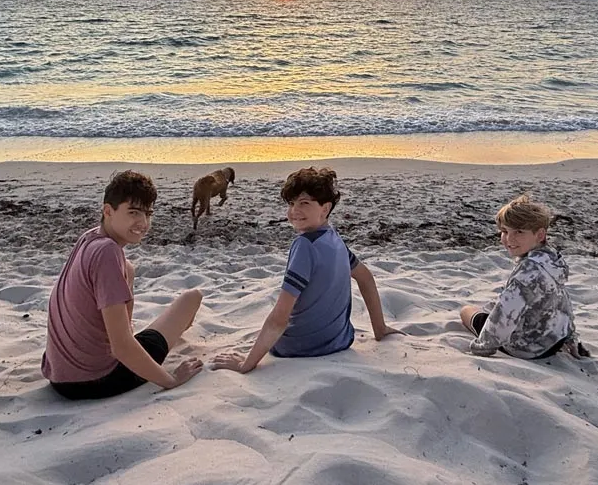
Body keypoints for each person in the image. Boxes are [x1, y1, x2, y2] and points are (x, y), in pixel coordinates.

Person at [212, 166, 400, 374]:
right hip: (338, 341)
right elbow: (365, 278)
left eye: (304, 203)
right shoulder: (334, 238)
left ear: (325, 209)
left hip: (299, 347)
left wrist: (245, 364)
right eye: (291, 203)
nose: (295, 211)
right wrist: (380, 328)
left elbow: (279, 318)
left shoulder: (304, 246)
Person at [42, 170, 204, 399]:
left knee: (128, 268)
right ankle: (136, 338)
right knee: (192, 298)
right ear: (108, 211)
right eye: (133, 212)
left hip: (60, 376)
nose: (143, 223)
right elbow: (121, 348)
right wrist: (171, 380)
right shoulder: (107, 251)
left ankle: (128, 332)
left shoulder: (90, 237)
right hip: (96, 379)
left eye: (148, 213)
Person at [459, 195, 581, 360]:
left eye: (519, 232)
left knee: (466, 311)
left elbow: (503, 321)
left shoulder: (525, 274)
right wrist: (571, 336)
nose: (509, 239)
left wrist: (481, 347)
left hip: (526, 347)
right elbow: (563, 302)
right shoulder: (553, 261)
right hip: (553, 340)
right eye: (505, 231)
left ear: (540, 235)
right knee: (493, 307)